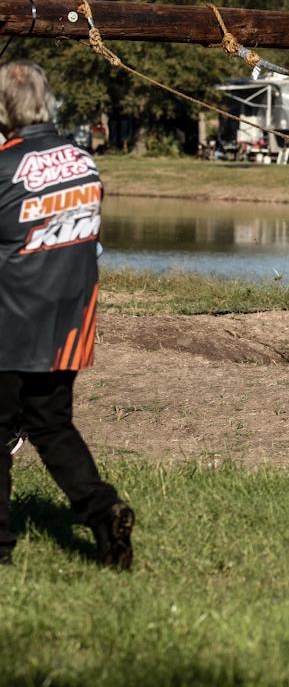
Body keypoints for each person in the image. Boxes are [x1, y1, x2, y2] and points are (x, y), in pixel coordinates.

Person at [0, 60, 135, 569]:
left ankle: (1, 553)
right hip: (68, 323)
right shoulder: (83, 162)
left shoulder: (4, 165)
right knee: (52, 426)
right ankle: (104, 513)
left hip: (10, 322)